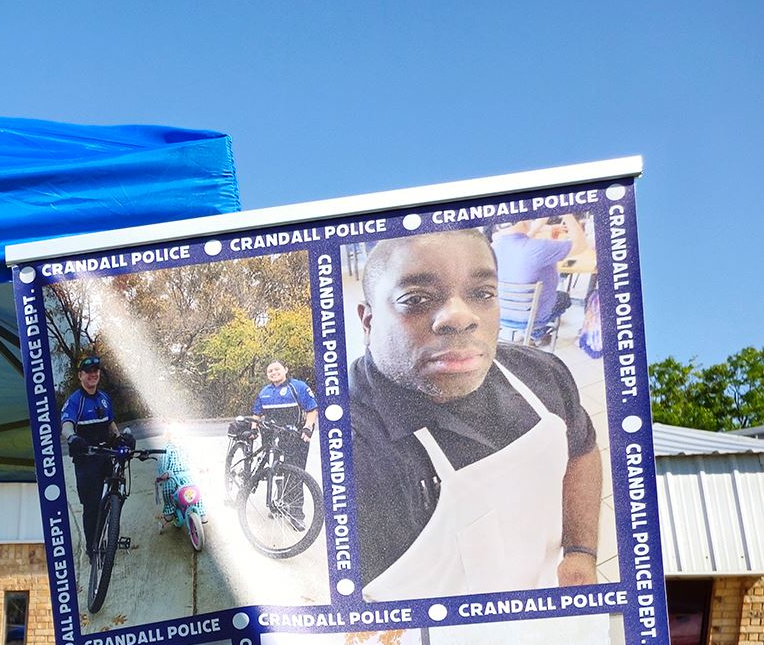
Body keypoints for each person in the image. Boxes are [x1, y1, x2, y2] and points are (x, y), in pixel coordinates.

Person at [349, 229, 606, 599]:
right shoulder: (351, 452)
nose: (460, 316)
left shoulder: (543, 373)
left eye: (482, 294)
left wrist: (581, 552)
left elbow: (581, 450)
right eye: (416, 298)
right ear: (368, 320)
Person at [59, 355, 122, 564]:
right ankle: (92, 547)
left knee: (111, 500)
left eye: (96, 371)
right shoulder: (76, 400)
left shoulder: (104, 398)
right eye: (88, 372)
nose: (93, 374)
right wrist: (73, 437)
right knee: (92, 505)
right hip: (86, 460)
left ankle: (107, 537)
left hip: (105, 457)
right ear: (80, 376)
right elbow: (66, 424)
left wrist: (121, 438)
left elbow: (110, 424)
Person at [251, 359, 319, 480]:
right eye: (270, 371)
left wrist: (308, 428)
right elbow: (257, 413)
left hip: (296, 435)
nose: (273, 372)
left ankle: (292, 499)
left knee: (294, 475)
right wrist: (253, 429)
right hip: (273, 435)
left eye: (277, 369)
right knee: (277, 473)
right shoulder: (264, 392)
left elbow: (312, 409)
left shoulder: (298, 386)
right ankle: (278, 497)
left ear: (285, 370)